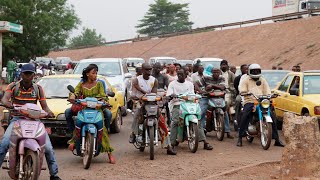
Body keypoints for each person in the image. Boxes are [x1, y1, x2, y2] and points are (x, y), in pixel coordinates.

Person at [0, 63, 61, 180]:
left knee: (47, 147)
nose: (28, 76)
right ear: (21, 74)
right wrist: (10, 105)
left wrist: (49, 112)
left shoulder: (38, 89)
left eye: (30, 74)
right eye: (25, 74)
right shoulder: (13, 86)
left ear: (34, 75)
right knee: (4, 144)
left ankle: (54, 175)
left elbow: (44, 106)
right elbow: (5, 99)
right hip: (17, 120)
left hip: (35, 120)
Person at [65, 64, 116, 163]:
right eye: (93, 73)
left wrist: (103, 101)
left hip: (97, 109)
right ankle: (74, 140)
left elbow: (103, 96)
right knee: (78, 124)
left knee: (103, 129)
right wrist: (72, 97)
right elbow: (75, 93)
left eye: (96, 73)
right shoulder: (81, 84)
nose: (95, 75)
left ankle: (109, 153)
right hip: (84, 108)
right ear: (87, 74)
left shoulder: (99, 84)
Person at [129, 63, 176, 155]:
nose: (149, 71)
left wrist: (158, 97)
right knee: (137, 115)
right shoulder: (136, 80)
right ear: (142, 70)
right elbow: (134, 92)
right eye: (146, 70)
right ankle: (133, 134)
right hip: (139, 101)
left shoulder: (154, 80)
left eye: (150, 69)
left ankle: (168, 147)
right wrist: (142, 95)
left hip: (151, 103)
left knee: (162, 123)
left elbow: (154, 93)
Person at [237, 64, 284, 147]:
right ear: (249, 71)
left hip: (262, 101)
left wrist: (270, 95)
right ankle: (240, 137)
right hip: (250, 100)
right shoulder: (246, 80)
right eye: (254, 71)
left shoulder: (262, 80)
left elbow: (267, 90)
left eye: (257, 71)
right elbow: (242, 89)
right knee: (245, 115)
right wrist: (245, 92)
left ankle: (276, 139)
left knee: (273, 117)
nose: (255, 72)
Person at [167, 69, 213, 151]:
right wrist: (172, 95)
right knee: (176, 122)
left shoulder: (190, 84)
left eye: (182, 74)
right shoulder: (172, 84)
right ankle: (172, 144)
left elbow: (192, 94)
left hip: (189, 104)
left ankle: (205, 142)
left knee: (197, 120)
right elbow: (169, 94)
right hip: (177, 105)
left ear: (186, 75)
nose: (180, 76)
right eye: (179, 74)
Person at [204, 68, 234, 138]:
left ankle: (227, 131)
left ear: (220, 73)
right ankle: (202, 130)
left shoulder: (222, 78)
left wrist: (212, 86)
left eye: (217, 72)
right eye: (214, 72)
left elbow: (222, 87)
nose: (216, 73)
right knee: (202, 111)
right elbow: (197, 83)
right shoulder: (206, 78)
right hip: (208, 98)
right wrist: (202, 90)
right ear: (212, 72)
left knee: (225, 113)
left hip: (219, 98)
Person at [233, 64, 248, 129]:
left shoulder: (250, 77)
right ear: (241, 70)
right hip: (241, 94)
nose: (246, 70)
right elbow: (236, 87)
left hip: (251, 95)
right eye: (245, 69)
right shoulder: (238, 78)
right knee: (238, 100)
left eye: (248, 69)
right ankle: (236, 118)